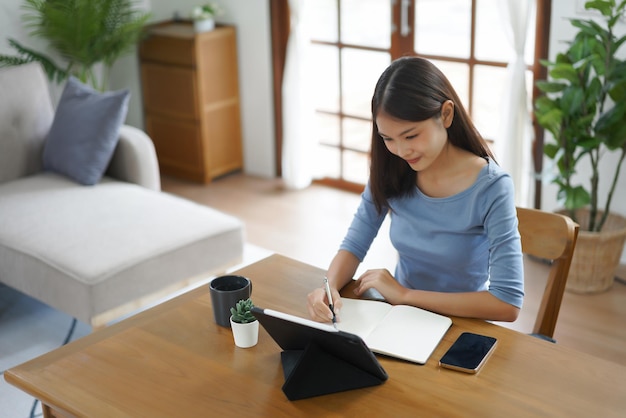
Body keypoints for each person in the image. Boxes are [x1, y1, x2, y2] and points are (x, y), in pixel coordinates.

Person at [307, 56, 524, 324]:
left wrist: (405, 295)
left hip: (462, 322)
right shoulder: (392, 169)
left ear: (446, 114)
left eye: (411, 136)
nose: (400, 151)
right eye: (388, 138)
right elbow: (354, 245)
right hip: (401, 318)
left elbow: (507, 302)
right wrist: (327, 289)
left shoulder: (491, 187)